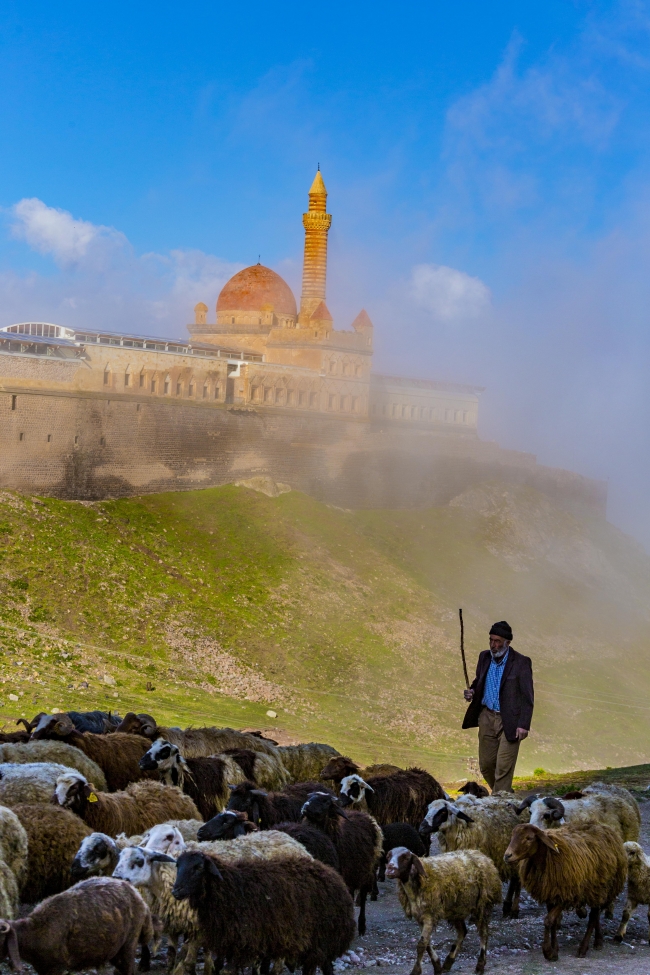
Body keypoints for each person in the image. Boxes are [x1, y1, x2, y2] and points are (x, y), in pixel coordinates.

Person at [461, 621, 534, 793]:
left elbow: (527, 696)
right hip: (486, 717)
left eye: (497, 641)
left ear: (507, 642)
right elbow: (479, 681)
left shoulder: (521, 662)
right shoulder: (484, 657)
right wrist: (472, 691)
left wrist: (524, 724)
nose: (493, 645)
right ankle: (504, 794)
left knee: (503, 768)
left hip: (510, 721)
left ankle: (499, 800)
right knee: (486, 765)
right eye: (491, 640)